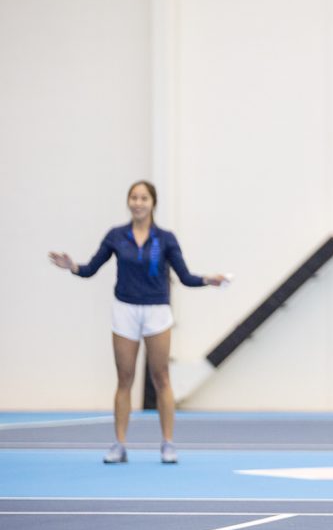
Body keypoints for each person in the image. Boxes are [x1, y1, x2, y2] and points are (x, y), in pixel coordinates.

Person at [48, 180, 226, 465]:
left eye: (144, 198)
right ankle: (119, 444)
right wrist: (73, 267)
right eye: (134, 197)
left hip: (156, 310)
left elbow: (186, 277)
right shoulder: (116, 236)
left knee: (161, 378)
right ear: (128, 202)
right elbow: (91, 269)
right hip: (125, 310)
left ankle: (168, 443)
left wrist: (208, 279)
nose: (138, 202)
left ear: (153, 203)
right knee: (124, 378)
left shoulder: (165, 239)